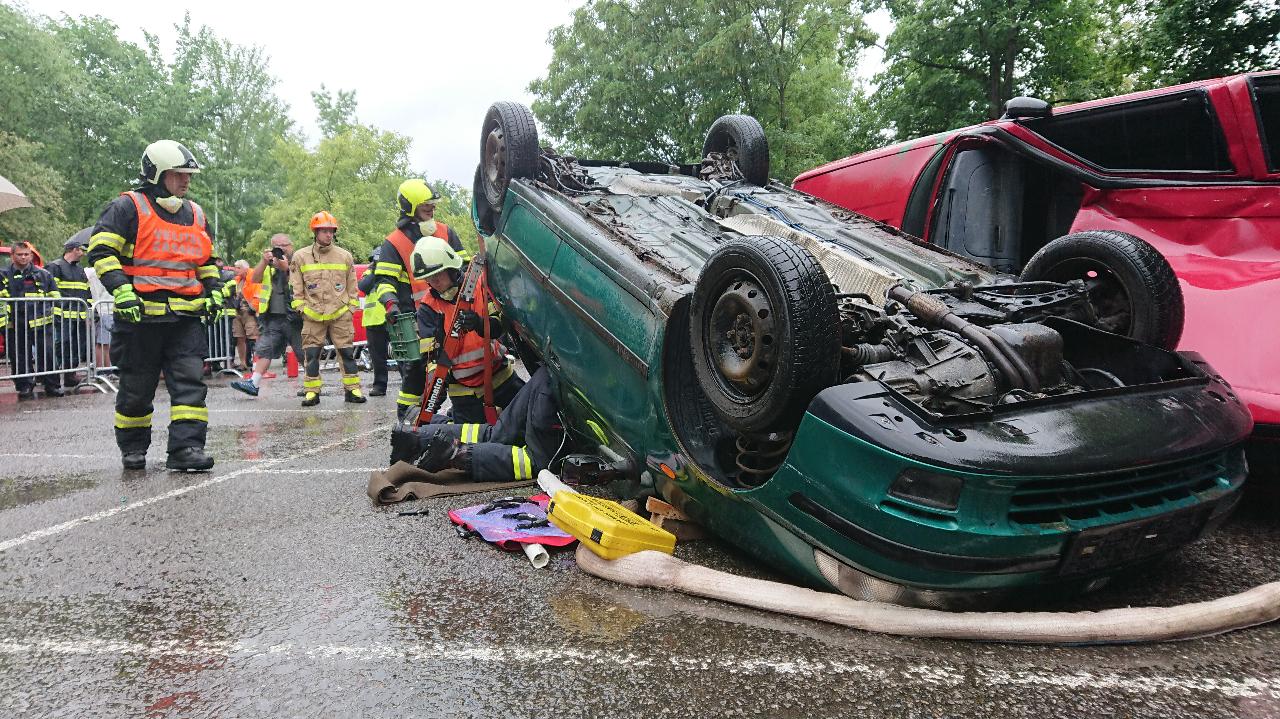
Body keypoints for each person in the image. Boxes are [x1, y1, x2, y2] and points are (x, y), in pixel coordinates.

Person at [85, 139, 221, 471]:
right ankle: (133, 448)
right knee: (136, 389)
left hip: (184, 320)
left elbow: (205, 260)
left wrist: (216, 289)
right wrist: (121, 291)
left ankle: (186, 448)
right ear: (156, 174)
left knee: (191, 385)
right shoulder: (128, 207)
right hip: (140, 320)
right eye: (178, 174)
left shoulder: (196, 213)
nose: (186, 181)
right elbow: (102, 252)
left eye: (188, 175)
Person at [368, 179, 469, 419]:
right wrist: (390, 305)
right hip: (414, 319)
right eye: (426, 207)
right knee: (416, 370)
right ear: (410, 208)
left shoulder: (445, 232)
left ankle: (460, 411)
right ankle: (407, 416)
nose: (432, 211)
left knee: (456, 363)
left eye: (433, 207)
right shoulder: (394, 242)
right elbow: (384, 282)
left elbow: (465, 267)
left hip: (450, 311)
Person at [408, 239, 523, 424]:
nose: (433, 281)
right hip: (464, 395)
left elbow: (500, 327)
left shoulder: (478, 285)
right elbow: (430, 361)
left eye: (437, 273)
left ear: (451, 267)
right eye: (428, 277)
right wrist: (433, 398)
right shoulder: (427, 309)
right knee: (471, 446)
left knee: (528, 425)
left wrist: (479, 323)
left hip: (501, 381)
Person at [389, 366, 560, 483]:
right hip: (557, 388)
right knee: (539, 463)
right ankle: (455, 454)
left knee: (496, 434)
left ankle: (419, 437)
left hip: (544, 376)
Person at [290, 211, 365, 406]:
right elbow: (296, 288)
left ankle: (352, 390)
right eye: (324, 231)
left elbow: (352, 286)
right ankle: (312, 392)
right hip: (312, 315)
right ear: (315, 232)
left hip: (340, 314)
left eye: (331, 231)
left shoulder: (344, 256)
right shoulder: (300, 257)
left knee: (347, 353)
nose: (328, 235)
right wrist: (302, 309)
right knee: (312, 354)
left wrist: (350, 308)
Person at [230, 233, 304, 398]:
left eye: (284, 245)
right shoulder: (268, 265)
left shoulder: (299, 260)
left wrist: (286, 269)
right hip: (272, 317)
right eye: (277, 246)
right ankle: (254, 383)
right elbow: (254, 278)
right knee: (264, 349)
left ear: (291, 246)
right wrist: (264, 261)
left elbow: (302, 282)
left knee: (302, 351)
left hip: (294, 316)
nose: (281, 248)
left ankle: (312, 384)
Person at [0, 242, 64, 400]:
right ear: (12, 256)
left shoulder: (43, 274)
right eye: (20, 254)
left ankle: (52, 385)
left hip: (41, 321)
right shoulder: (3, 274)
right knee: (20, 356)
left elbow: (55, 295)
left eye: (26, 254)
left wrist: (55, 316)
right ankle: (25, 386)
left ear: (31, 255)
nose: (23, 257)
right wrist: (4, 323)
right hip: (15, 323)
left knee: (48, 354)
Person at [46, 234, 92, 389]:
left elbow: (87, 292)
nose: (83, 254)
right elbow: (50, 291)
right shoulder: (55, 267)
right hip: (61, 316)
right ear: (74, 250)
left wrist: (91, 312)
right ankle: (52, 374)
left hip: (78, 316)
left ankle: (70, 374)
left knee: (77, 346)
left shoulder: (80, 270)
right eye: (81, 251)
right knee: (61, 345)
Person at [357, 248, 391, 396]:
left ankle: (409, 385)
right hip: (373, 320)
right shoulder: (369, 272)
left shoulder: (392, 272)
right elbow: (363, 286)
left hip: (392, 317)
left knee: (403, 355)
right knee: (377, 357)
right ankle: (379, 386)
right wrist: (375, 269)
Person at [230, 259, 260, 370]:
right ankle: (243, 363)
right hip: (237, 312)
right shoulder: (236, 280)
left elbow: (258, 292)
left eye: (238, 267)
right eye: (235, 267)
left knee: (254, 337)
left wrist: (254, 308)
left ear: (245, 268)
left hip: (249, 311)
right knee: (239, 337)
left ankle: (257, 363)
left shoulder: (254, 277)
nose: (235, 269)